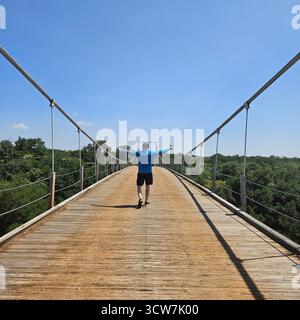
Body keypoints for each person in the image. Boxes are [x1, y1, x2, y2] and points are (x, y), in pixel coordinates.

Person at [121, 142, 173, 208]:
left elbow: (129, 152)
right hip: (148, 172)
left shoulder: (138, 153)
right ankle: (146, 201)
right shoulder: (152, 153)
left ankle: (140, 198)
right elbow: (161, 151)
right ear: (148, 147)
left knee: (139, 186)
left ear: (142, 147)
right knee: (147, 186)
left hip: (140, 172)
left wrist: (122, 150)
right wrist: (169, 148)